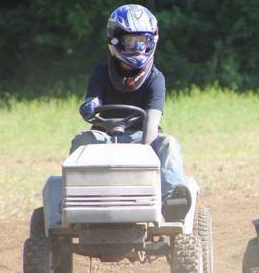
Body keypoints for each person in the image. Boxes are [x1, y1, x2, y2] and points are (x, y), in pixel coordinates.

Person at [71, 4, 191, 202]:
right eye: (131, 41)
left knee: (168, 143)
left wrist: (142, 154)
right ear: (116, 40)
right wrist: (89, 107)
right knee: (82, 141)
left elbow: (152, 121)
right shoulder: (101, 72)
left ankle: (171, 200)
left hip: (143, 138)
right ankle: (77, 197)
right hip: (103, 137)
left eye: (142, 41)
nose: (137, 47)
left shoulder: (155, 78)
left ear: (151, 41)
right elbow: (93, 101)